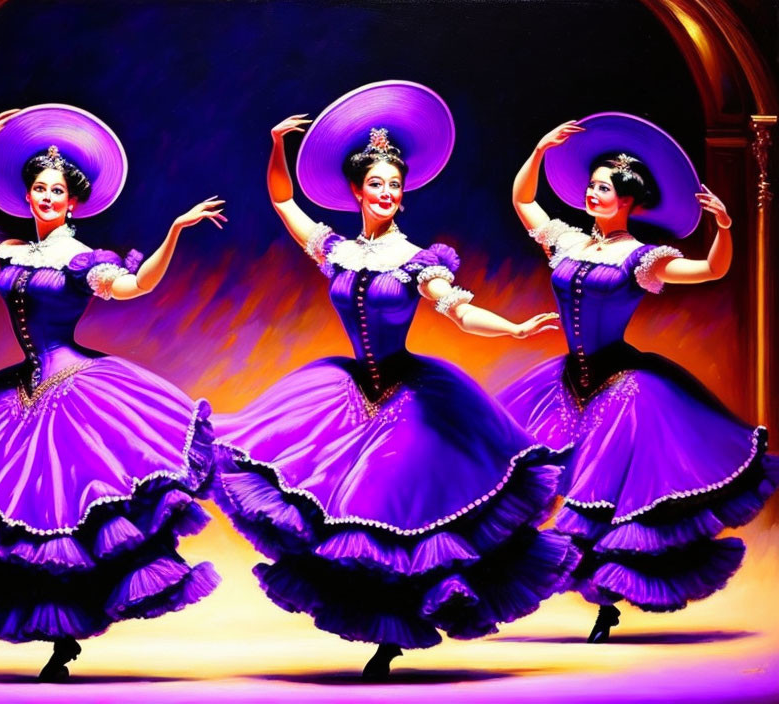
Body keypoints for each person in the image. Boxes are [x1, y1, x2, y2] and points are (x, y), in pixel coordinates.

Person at [212, 81, 577, 681]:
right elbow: (284, 202)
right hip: (347, 389)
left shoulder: (417, 259)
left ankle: (401, 625)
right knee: (339, 511)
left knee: (400, 509)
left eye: (394, 185)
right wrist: (278, 145)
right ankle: (376, 621)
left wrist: (510, 329)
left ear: (403, 195)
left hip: (411, 394)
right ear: (357, 189)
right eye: (375, 183)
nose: (385, 193)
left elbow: (457, 309)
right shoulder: (335, 248)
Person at [0, 105, 226, 680]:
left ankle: (67, 634)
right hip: (22, 389)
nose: (45, 197)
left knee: (74, 510)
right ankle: (58, 632)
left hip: (73, 385)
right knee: (23, 512)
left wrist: (173, 232)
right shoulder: (11, 250)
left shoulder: (79, 259)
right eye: (39, 189)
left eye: (56, 191)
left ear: (73, 201)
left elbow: (135, 286)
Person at [500, 112, 779, 643]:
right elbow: (523, 202)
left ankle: (607, 600)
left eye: (603, 189)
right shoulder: (566, 241)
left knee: (606, 494)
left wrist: (724, 227)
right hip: (565, 380)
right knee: (529, 476)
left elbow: (712, 271)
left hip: (623, 386)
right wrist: (538, 151)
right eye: (590, 186)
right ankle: (569, 587)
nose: (592, 194)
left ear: (628, 200)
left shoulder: (642, 258)